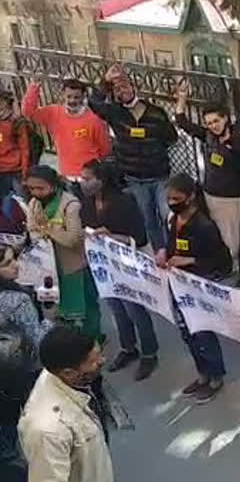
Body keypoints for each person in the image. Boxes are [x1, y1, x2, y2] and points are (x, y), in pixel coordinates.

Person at [79, 159, 159, 381]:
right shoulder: (86, 202)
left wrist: (113, 236)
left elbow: (140, 237)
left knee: (135, 310)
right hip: (103, 265)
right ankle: (128, 348)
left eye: (87, 179)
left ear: (101, 180)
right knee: (116, 308)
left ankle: (149, 353)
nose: (82, 182)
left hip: (125, 265)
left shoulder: (125, 201)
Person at [156, 173, 232, 404]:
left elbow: (222, 262)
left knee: (203, 333)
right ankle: (202, 374)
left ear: (190, 198)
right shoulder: (173, 220)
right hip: (177, 286)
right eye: (169, 198)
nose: (171, 202)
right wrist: (163, 252)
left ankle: (216, 377)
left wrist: (189, 261)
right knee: (187, 333)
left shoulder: (204, 226)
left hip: (197, 287)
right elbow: (170, 246)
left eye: (176, 198)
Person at [88, 64, 178, 251]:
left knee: (167, 215)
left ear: (133, 87)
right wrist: (105, 81)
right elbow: (94, 103)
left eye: (126, 86)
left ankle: (172, 250)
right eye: (117, 88)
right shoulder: (115, 113)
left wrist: (153, 146)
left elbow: (171, 138)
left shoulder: (155, 112)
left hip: (159, 175)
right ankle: (159, 251)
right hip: (134, 178)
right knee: (147, 218)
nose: (123, 91)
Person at [175, 85, 240, 275]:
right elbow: (182, 122)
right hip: (209, 195)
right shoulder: (208, 136)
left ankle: (233, 273)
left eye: (216, 121)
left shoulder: (239, 142)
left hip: (230, 199)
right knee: (214, 237)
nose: (213, 126)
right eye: (209, 123)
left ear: (226, 119)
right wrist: (182, 99)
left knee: (231, 242)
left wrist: (234, 152)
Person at [18, 325, 112, 482]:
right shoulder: (49, 431)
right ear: (68, 372)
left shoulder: (63, 373)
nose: (103, 360)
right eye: (94, 362)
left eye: (100, 354)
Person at [25, 165, 102, 340]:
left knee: (88, 310)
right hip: (49, 269)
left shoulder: (70, 205)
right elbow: (33, 233)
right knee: (58, 313)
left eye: (40, 188)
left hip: (74, 268)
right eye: (31, 188)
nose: (36, 192)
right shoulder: (34, 204)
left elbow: (73, 240)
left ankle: (94, 343)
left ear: (53, 185)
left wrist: (48, 229)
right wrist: (46, 232)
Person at [0, 244, 49, 482]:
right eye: (7, 263)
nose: (16, 265)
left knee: (6, 442)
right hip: (24, 376)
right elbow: (38, 341)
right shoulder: (17, 300)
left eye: (14, 259)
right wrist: (49, 323)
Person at [21, 79, 110, 181]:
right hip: (66, 175)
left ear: (84, 96)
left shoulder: (94, 120)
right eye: (69, 97)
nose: (72, 101)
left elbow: (105, 149)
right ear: (63, 95)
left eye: (76, 97)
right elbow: (28, 112)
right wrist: (33, 90)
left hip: (89, 177)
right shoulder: (53, 113)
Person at [0, 91, 30, 199]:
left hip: (15, 171)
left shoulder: (17, 123)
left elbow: (25, 148)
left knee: (22, 202)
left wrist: (25, 171)